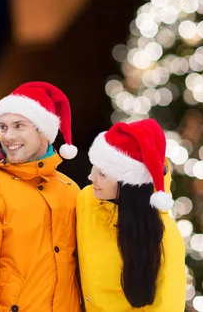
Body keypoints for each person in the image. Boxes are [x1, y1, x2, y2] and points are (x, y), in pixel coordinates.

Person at [0, 82, 82, 312]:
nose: (8, 136)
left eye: (19, 126)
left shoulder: (71, 191)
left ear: (44, 130)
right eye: (3, 127)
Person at [77, 118, 186, 311]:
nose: (91, 177)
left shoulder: (165, 236)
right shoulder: (86, 199)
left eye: (102, 174)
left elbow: (167, 306)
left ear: (129, 184)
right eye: (94, 167)